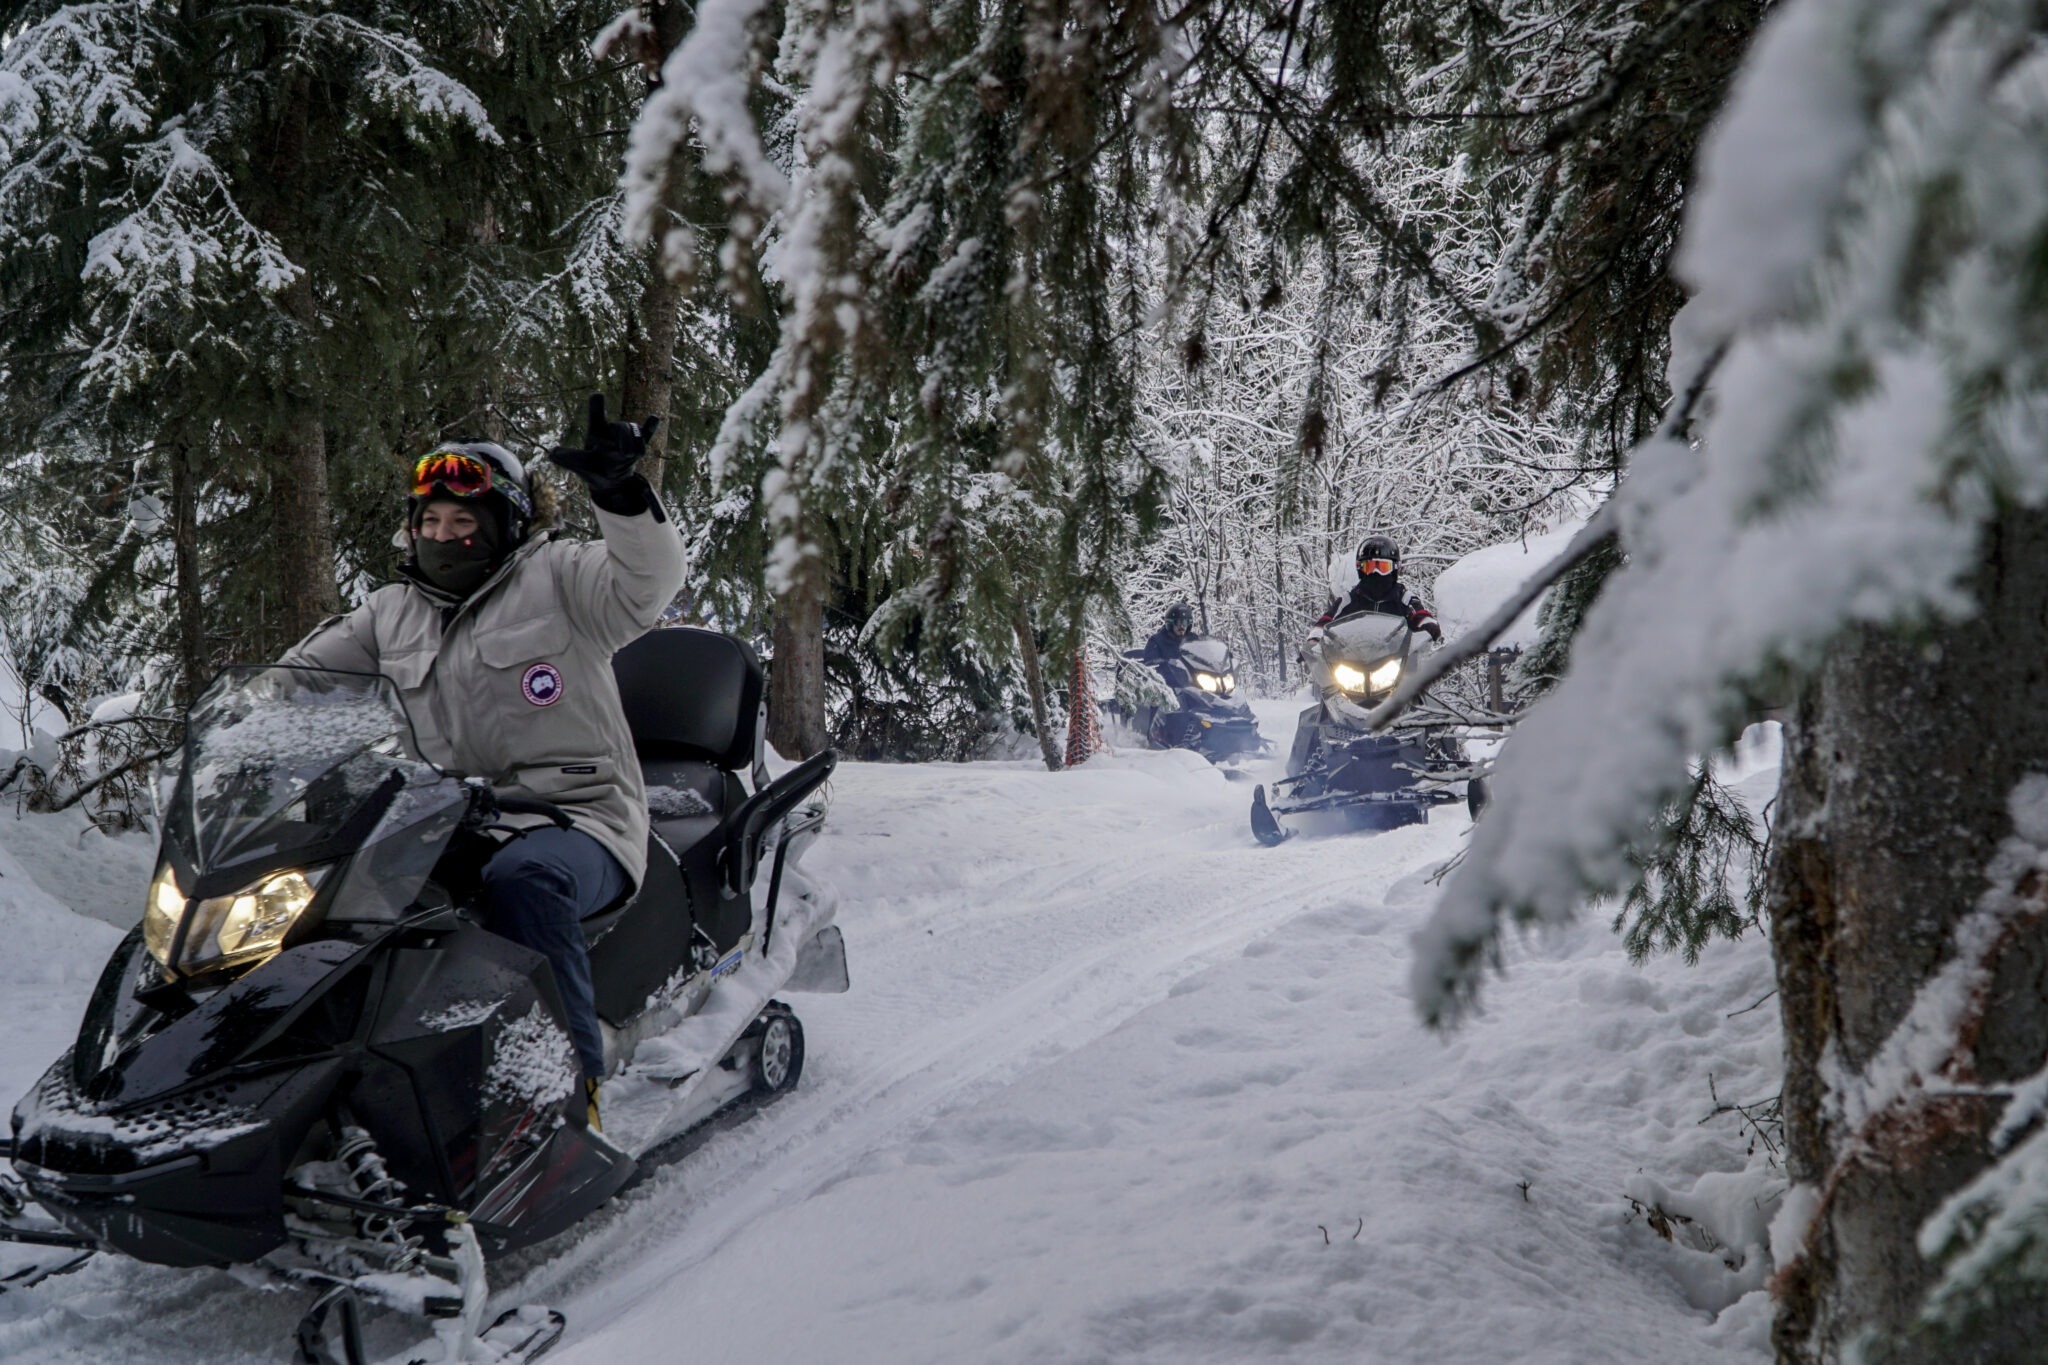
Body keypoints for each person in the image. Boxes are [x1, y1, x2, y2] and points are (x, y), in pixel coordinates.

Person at [283, 395, 686, 1130]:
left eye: (465, 522)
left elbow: (646, 584)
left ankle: (570, 1086)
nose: (445, 536)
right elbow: (298, 680)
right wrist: (237, 741)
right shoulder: (390, 613)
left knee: (522, 879)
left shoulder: (560, 580)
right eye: (431, 522)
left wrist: (621, 494)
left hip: (580, 816)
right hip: (445, 820)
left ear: (499, 526)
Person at [1314, 535, 1441, 641]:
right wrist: (1315, 637)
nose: (1376, 572)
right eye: (1369, 567)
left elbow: (1419, 613)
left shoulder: (1404, 598)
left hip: (1396, 660)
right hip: (1353, 660)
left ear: (1394, 569)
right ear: (1360, 569)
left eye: (1383, 567)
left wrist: (1428, 624)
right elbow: (1328, 619)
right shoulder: (1350, 599)